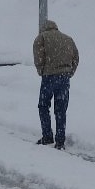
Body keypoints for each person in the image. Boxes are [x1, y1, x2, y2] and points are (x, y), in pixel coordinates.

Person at [33, 19, 79, 149]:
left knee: (43, 106)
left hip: (48, 76)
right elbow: (76, 57)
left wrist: (41, 70)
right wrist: (70, 72)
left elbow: (38, 56)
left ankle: (47, 136)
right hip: (64, 78)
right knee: (61, 109)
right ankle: (60, 141)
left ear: (44, 28)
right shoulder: (68, 39)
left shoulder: (41, 38)